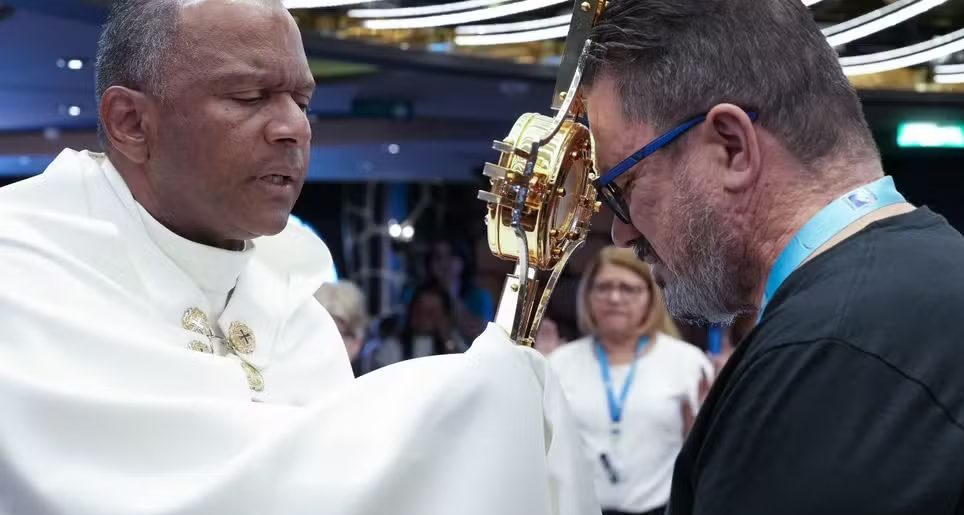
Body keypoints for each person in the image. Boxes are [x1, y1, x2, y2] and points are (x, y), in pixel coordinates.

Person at [0, 2, 600, 514]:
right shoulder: (23, 276)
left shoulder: (294, 307)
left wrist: (495, 396)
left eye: (302, 100)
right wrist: (466, 406)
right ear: (131, 122)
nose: (293, 127)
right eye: (249, 95)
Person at [583, 0, 964, 513]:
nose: (621, 233)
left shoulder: (830, 356)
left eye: (623, 187)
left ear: (732, 147)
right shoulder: (945, 285)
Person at [549, 247, 712, 515]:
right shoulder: (559, 363)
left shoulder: (687, 363)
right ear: (587, 295)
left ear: (650, 297)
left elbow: (700, 454)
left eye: (628, 288)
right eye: (604, 287)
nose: (614, 298)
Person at [369, 281, 465, 370]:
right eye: (418, 309)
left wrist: (446, 338)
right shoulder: (393, 346)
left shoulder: (454, 344)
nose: (422, 316)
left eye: (430, 312)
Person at [315, 280, 369, 376]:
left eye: (334, 335)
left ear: (356, 343)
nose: (322, 345)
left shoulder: (378, 382)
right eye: (315, 333)